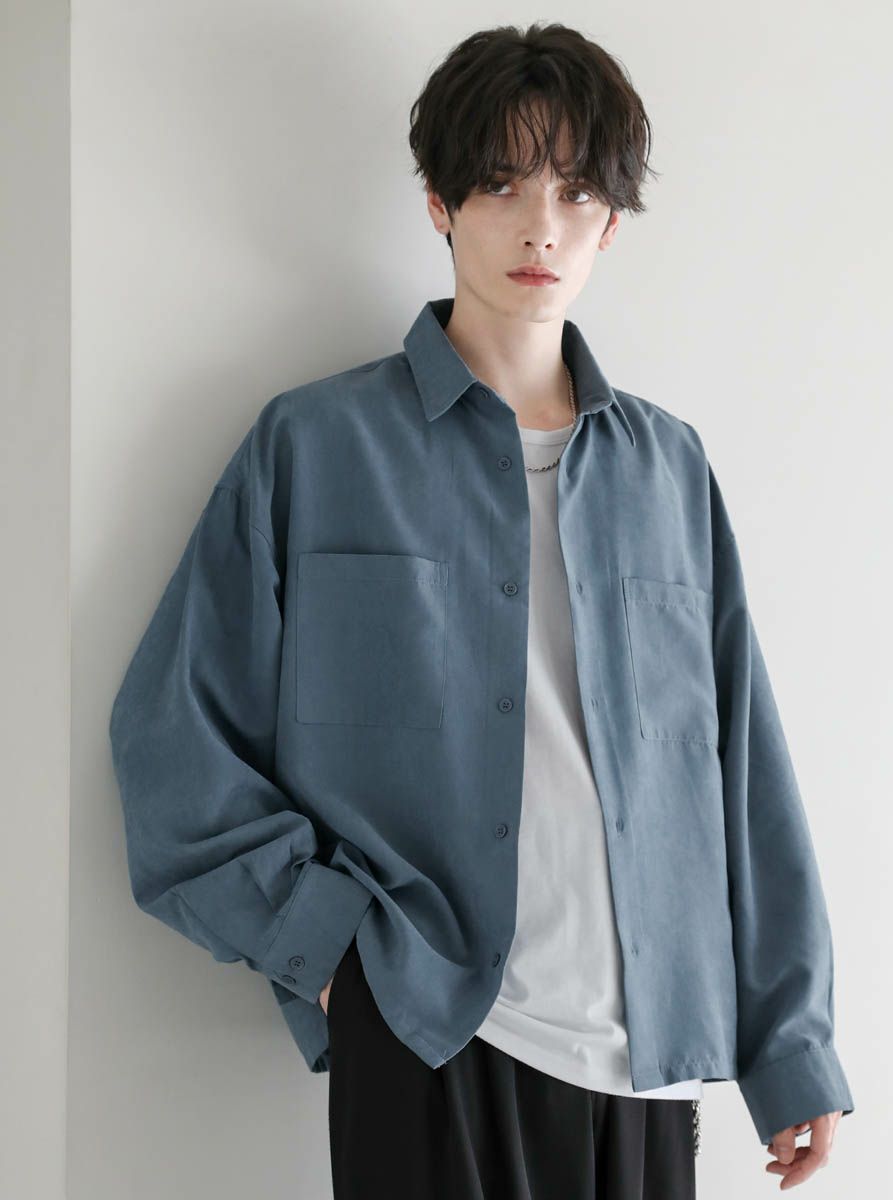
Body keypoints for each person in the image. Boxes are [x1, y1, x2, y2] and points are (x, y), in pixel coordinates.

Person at [109, 20, 854, 1199]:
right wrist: (334, 953)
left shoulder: (670, 470)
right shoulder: (315, 447)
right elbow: (170, 741)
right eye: (501, 183)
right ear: (439, 204)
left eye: (574, 190)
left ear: (612, 222)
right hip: (429, 1031)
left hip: (649, 1053)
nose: (538, 225)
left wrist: (789, 1042)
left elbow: (739, 770)